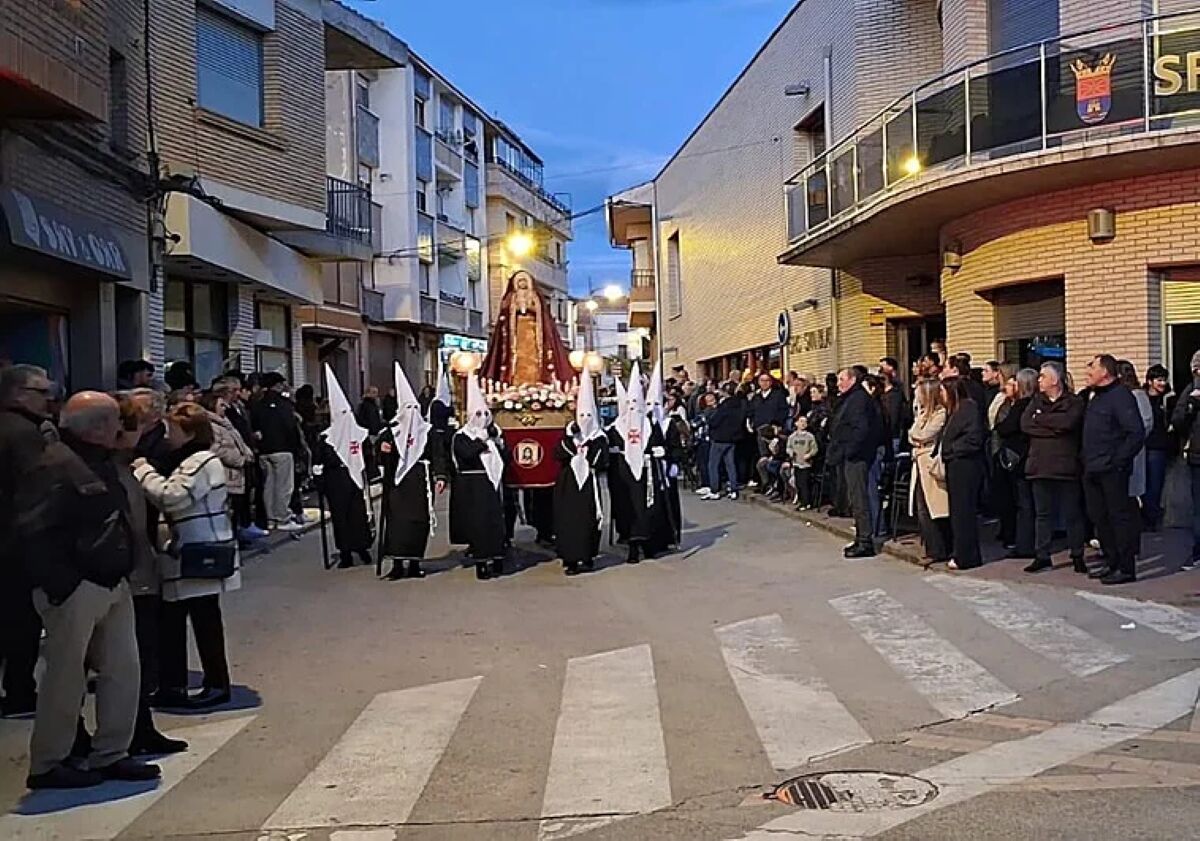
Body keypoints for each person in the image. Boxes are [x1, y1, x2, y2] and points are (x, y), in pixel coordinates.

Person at [16, 392, 160, 788]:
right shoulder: (54, 465)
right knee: (65, 678)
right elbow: (31, 532)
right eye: (114, 421)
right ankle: (49, 762)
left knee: (122, 671)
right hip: (77, 587)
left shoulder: (98, 461)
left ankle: (112, 752)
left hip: (112, 581)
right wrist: (64, 585)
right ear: (97, 427)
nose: (120, 428)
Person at [134, 402, 239, 710]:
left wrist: (143, 470)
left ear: (190, 433)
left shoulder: (202, 461)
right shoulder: (186, 459)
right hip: (183, 552)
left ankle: (215, 684)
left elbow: (173, 496)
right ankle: (174, 685)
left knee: (203, 622)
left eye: (173, 430)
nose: (168, 435)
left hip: (197, 553)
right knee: (175, 622)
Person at [114, 391, 189, 756]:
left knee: (139, 655)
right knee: (125, 659)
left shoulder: (128, 461)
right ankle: (122, 736)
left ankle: (138, 729)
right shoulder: (113, 466)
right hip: (123, 574)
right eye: (135, 420)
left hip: (138, 570)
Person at [0, 365, 55, 719]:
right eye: (41, 392)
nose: (49, 399)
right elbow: (39, 490)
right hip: (16, 544)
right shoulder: (23, 434)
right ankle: (20, 691)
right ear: (19, 394)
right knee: (21, 622)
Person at [1081, 355, 1146, 585]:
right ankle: (1112, 561)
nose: (1088, 371)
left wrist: (1118, 461)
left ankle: (1126, 568)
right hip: (1092, 467)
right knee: (1099, 517)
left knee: (1118, 518)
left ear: (1105, 372)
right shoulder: (1096, 396)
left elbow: (1135, 433)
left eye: (1092, 366)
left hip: (1112, 470)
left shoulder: (1121, 396)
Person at [378, 363, 448, 580]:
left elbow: (438, 455)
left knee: (418, 522)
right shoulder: (391, 432)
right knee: (398, 522)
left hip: (420, 481)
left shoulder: (428, 432)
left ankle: (415, 563)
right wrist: (382, 449)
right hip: (398, 483)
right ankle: (397, 564)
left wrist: (440, 476)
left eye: (413, 409)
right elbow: (379, 454)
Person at [1022, 361, 1087, 573]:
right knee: (1043, 514)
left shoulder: (1074, 402)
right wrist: (1053, 426)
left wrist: (1041, 419)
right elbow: (1026, 424)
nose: (1039, 380)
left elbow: (1068, 423)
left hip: (1066, 466)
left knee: (1072, 514)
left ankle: (1077, 554)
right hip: (1039, 465)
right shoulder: (1035, 401)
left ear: (1055, 380)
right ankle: (1042, 555)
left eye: (1042, 376)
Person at [451, 376, 508, 579]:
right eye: (478, 414)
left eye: (485, 414)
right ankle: (482, 562)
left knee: (495, 523)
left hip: (491, 485)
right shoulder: (461, 436)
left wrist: (498, 443)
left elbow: (505, 458)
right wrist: (481, 443)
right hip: (473, 486)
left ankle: (498, 557)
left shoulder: (493, 436)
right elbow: (466, 454)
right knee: (479, 525)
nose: (482, 418)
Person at [316, 365, 373, 570]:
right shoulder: (326, 437)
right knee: (340, 517)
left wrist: (371, 473)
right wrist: (319, 481)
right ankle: (345, 552)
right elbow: (319, 461)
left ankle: (362, 547)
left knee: (358, 515)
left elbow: (367, 455)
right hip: (335, 480)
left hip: (354, 477)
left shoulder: (359, 433)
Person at [554, 370, 609, 574]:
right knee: (568, 520)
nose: (585, 419)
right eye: (582, 415)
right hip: (568, 483)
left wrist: (590, 446)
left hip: (588, 483)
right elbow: (558, 454)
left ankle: (587, 557)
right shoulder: (569, 435)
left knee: (588, 520)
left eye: (588, 416)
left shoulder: (599, 437)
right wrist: (571, 438)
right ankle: (569, 559)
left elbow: (601, 462)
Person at [827, 368, 884, 558]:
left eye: (841, 379)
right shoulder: (850, 398)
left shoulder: (858, 399)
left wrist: (849, 450)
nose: (838, 383)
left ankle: (865, 541)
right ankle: (861, 537)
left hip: (858, 456)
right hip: (850, 455)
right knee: (855, 497)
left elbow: (861, 429)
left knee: (860, 498)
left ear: (852, 380)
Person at [942, 378, 986, 571]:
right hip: (955, 464)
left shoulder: (968, 409)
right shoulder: (954, 410)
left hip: (966, 465)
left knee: (964, 512)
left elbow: (974, 438)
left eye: (943, 391)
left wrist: (953, 449)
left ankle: (966, 556)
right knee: (957, 512)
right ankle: (960, 551)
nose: (941, 395)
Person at [993, 368, 1036, 559]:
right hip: (1026, 457)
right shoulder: (1031, 403)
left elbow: (1005, 427)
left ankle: (1025, 544)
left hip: (1019, 458)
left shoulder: (1022, 405)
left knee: (1023, 503)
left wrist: (1000, 427)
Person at [252, 373, 303, 532]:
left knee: (268, 486)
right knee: (283, 486)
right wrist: (297, 449)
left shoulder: (257, 404)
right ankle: (282, 518)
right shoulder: (284, 404)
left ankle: (270, 519)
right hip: (283, 449)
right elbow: (290, 427)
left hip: (264, 450)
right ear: (278, 385)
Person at [908, 379, 952, 564]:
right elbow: (911, 434)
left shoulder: (940, 413)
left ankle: (941, 549)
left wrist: (917, 438)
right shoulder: (922, 413)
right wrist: (916, 436)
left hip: (931, 463)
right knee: (922, 508)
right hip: (919, 463)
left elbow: (924, 434)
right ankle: (931, 548)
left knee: (936, 507)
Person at [1171, 350, 1200, 569]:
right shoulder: (1191, 391)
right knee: (1198, 507)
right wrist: (1191, 406)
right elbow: (1178, 421)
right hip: (1197, 456)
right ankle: (1198, 551)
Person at [702, 383, 746, 501]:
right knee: (730, 465)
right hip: (732, 438)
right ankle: (733, 489)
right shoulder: (740, 404)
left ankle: (714, 490)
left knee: (713, 465)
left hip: (719, 438)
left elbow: (714, 421)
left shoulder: (723, 406)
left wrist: (709, 421)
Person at [1142, 364, 1172, 531]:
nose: (1163, 383)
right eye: (1159, 380)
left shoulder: (1168, 399)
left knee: (1155, 485)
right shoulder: (1143, 399)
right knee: (1144, 485)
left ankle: (1151, 519)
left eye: (1164, 380)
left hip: (1159, 447)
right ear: (1150, 381)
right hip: (1143, 446)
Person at [749, 373, 789, 456]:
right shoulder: (756, 397)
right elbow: (751, 412)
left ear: (771, 382)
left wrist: (777, 424)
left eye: (767, 380)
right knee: (762, 455)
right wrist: (752, 423)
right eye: (762, 380)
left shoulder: (778, 395)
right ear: (759, 382)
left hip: (773, 429)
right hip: (758, 429)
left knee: (774, 454)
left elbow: (784, 411)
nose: (764, 383)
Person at [784, 415, 818, 509]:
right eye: (801, 421)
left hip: (806, 464)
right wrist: (790, 453)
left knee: (804, 483)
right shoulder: (792, 437)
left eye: (805, 422)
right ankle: (802, 501)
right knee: (798, 483)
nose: (803, 424)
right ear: (796, 423)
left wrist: (809, 455)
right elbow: (788, 447)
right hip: (796, 463)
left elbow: (815, 449)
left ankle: (806, 503)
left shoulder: (810, 436)